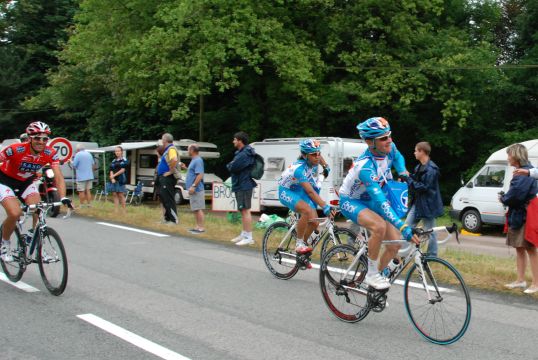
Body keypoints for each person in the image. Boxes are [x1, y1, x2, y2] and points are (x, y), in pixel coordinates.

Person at [339, 117, 419, 290]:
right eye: (383, 138)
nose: (389, 140)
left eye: (389, 135)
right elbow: (381, 202)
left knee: (395, 244)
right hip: (352, 201)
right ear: (369, 142)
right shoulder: (365, 166)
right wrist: (403, 226)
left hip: (371, 200)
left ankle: (372, 285)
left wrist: (402, 171)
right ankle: (371, 274)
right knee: (379, 227)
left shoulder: (390, 147)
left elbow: (398, 157)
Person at [0, 121, 72, 262]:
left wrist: (63, 197)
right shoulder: (15, 149)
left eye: (45, 139)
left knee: (39, 209)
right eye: (37, 138)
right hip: (4, 181)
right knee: (15, 213)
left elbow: (58, 176)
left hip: (26, 182)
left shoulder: (50, 153)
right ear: (29, 138)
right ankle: (4, 243)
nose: (41, 142)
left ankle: (34, 239)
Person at [278, 139, 333, 255]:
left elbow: (318, 155)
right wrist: (325, 207)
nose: (317, 157)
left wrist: (325, 166)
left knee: (314, 222)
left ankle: (301, 247)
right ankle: (298, 244)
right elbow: (310, 192)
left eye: (318, 153)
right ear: (305, 155)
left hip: (298, 189)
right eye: (314, 155)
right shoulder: (299, 170)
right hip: (286, 191)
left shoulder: (311, 160)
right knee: (306, 210)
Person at [500, 143, 538, 294]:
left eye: (509, 154)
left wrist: (503, 199)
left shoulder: (524, 173)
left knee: (530, 248)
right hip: (520, 214)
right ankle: (521, 280)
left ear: (515, 156)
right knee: (520, 248)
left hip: (525, 215)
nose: (508, 158)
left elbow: (516, 195)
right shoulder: (525, 170)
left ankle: (536, 283)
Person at [404, 142, 444, 256]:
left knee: (430, 231)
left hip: (428, 205)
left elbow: (423, 187)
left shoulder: (432, 169)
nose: (414, 153)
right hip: (418, 203)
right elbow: (416, 181)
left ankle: (432, 254)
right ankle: (403, 253)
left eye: (416, 150)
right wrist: (408, 176)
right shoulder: (419, 167)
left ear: (422, 151)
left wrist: (408, 179)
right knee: (407, 227)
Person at [227, 131, 257, 246]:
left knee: (245, 210)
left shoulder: (244, 154)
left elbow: (232, 167)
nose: (233, 141)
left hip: (244, 184)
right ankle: (244, 233)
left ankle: (249, 237)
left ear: (240, 141)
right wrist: (231, 165)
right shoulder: (242, 153)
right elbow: (233, 165)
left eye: (235, 139)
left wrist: (230, 165)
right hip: (241, 184)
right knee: (242, 210)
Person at [183, 144, 205, 234]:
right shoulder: (194, 160)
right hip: (193, 189)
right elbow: (193, 172)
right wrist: (185, 168)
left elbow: (200, 174)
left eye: (188, 149)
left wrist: (193, 186)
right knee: (195, 208)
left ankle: (201, 228)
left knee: (198, 208)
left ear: (192, 150)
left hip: (197, 189)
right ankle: (197, 226)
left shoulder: (198, 160)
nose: (187, 151)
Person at [157, 133, 179, 224]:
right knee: (163, 197)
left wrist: (170, 171)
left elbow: (174, 159)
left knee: (169, 198)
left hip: (168, 177)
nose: (161, 141)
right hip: (163, 177)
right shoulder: (167, 150)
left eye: (162, 139)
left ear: (165, 140)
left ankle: (174, 220)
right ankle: (167, 218)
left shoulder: (171, 149)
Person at [108, 146, 128, 212]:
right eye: (116, 151)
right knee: (114, 194)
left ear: (121, 152)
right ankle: (116, 210)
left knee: (120, 194)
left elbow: (122, 170)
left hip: (121, 179)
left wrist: (113, 176)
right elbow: (111, 169)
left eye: (118, 151)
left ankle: (124, 210)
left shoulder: (124, 160)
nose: (117, 152)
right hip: (113, 179)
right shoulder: (113, 161)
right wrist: (112, 178)